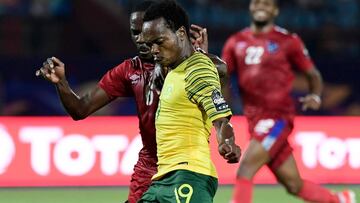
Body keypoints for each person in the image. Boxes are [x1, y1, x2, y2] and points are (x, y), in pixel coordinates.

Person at [36, 1, 228, 202]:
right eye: (135, 33)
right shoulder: (129, 71)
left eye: (148, 33)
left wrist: (200, 56)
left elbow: (221, 71)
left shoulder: (191, 63)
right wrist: (62, 83)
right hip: (148, 170)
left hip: (184, 166)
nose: (142, 40)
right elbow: (80, 109)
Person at [221, 0, 356, 203]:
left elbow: (312, 74)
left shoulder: (287, 41)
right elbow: (223, 76)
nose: (261, 6)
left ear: (275, 10)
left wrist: (315, 94)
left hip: (278, 119)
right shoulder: (236, 42)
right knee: (293, 184)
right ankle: (341, 200)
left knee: (245, 169)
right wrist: (222, 106)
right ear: (250, 7)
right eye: (257, 2)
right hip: (254, 120)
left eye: (267, 4)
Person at [138, 1, 241, 202]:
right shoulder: (176, 69)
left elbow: (219, 118)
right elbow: (220, 69)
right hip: (163, 179)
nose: (154, 50)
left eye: (159, 41)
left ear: (182, 34)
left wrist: (227, 142)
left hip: (187, 177)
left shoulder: (197, 69)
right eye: (150, 45)